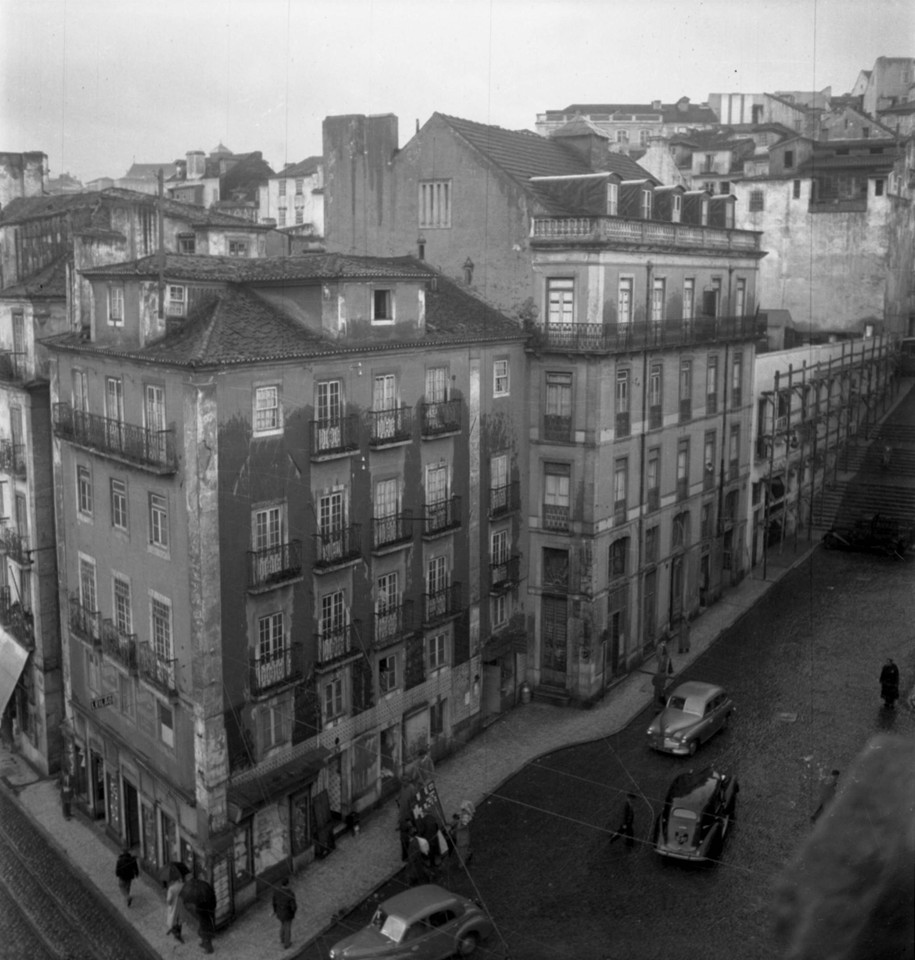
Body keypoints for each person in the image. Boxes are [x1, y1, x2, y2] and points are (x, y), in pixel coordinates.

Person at [272, 877, 297, 949]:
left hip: (279, 913)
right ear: (288, 884)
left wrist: (275, 911)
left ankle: (282, 939)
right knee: (287, 928)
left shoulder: (276, 892)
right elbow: (293, 906)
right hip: (288, 914)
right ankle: (287, 943)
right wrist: (293, 912)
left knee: (283, 925)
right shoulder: (290, 894)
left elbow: (273, 902)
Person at [166, 877, 184, 942]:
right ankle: (179, 933)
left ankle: (175, 932)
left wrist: (169, 904)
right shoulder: (182, 885)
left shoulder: (171, 888)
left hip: (173, 906)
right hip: (181, 905)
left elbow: (168, 901)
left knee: (173, 920)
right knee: (179, 919)